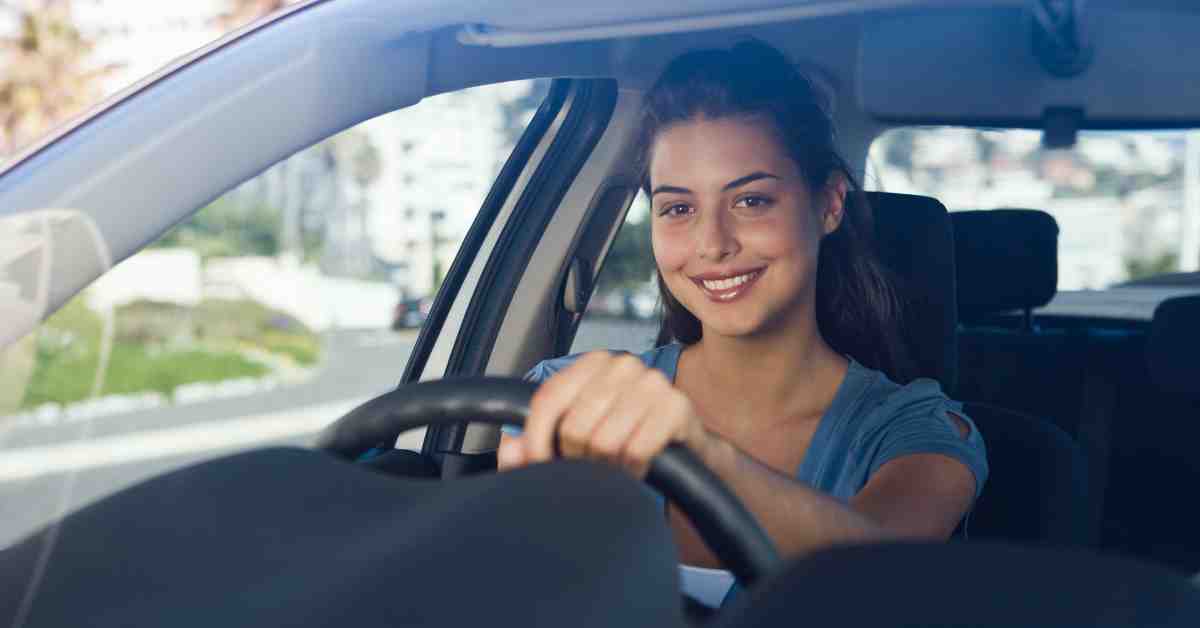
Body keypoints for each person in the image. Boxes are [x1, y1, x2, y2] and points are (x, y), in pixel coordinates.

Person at [497, 40, 987, 608]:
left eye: (751, 201)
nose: (712, 245)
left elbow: (876, 572)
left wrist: (696, 454)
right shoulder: (567, 394)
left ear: (829, 204)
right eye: (678, 208)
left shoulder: (915, 430)